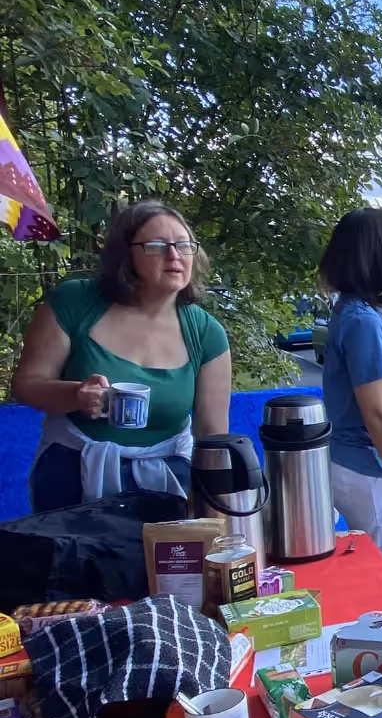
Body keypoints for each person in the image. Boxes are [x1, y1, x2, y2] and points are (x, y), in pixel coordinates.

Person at [12, 200, 231, 512]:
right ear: (126, 254)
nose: (174, 255)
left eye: (184, 245)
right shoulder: (75, 301)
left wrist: (214, 509)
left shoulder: (206, 333)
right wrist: (76, 394)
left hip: (167, 484)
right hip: (71, 476)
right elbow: (26, 385)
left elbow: (212, 436)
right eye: (156, 245)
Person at [319, 208, 382, 594]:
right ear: (380, 255)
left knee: (375, 584)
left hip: (361, 467)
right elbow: (377, 411)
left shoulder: (357, 314)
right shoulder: (363, 321)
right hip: (374, 473)